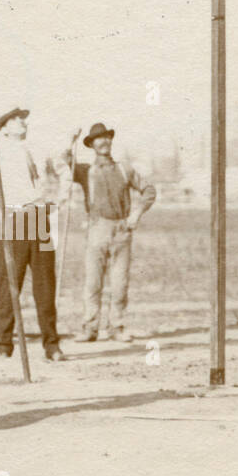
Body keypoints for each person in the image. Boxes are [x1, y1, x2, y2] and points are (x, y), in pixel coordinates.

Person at [71, 122, 156, 342]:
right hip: (97, 229)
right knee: (93, 284)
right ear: (91, 145)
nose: (104, 141)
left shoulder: (124, 169)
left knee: (120, 284)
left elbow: (149, 190)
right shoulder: (84, 171)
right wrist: (70, 142)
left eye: (107, 137)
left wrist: (136, 214)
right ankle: (90, 328)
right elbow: (63, 163)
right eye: (98, 139)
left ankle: (116, 327)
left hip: (121, 231)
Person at [0, 106, 65, 362]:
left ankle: (52, 345)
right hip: (13, 217)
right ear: (5, 127)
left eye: (23, 119)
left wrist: (70, 147)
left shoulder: (37, 147)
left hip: (40, 216)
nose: (23, 122)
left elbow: (61, 166)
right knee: (10, 283)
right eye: (16, 119)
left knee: (45, 283)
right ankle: (4, 343)